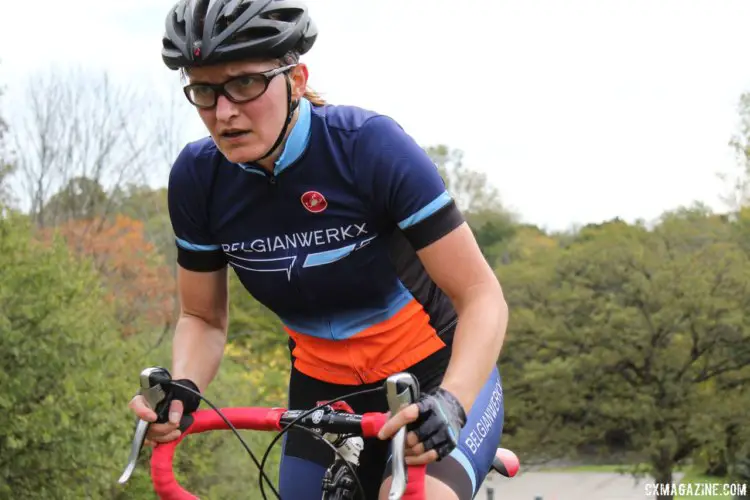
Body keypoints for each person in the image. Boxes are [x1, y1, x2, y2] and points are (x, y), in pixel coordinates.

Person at [128, 1, 510, 499]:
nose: (223, 112)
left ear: (296, 77)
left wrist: (453, 402)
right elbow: (202, 318)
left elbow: (482, 296)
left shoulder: (368, 148)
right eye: (204, 91)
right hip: (322, 395)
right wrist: (181, 391)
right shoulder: (198, 179)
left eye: (244, 83)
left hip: (436, 379)